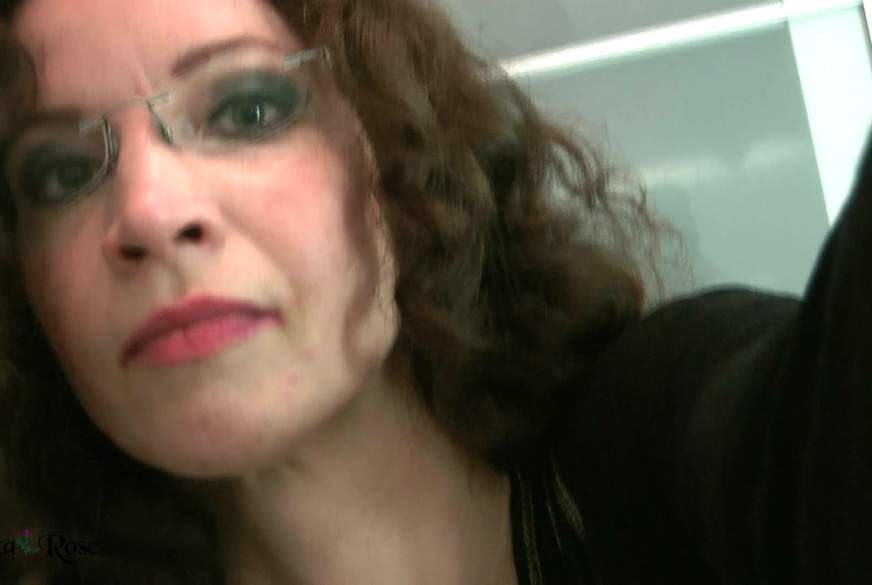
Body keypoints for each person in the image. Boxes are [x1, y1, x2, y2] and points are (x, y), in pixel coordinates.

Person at [0, 0, 868, 584]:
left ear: (398, 154)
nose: (148, 211)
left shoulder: (657, 446)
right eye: (62, 171)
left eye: (247, 111)